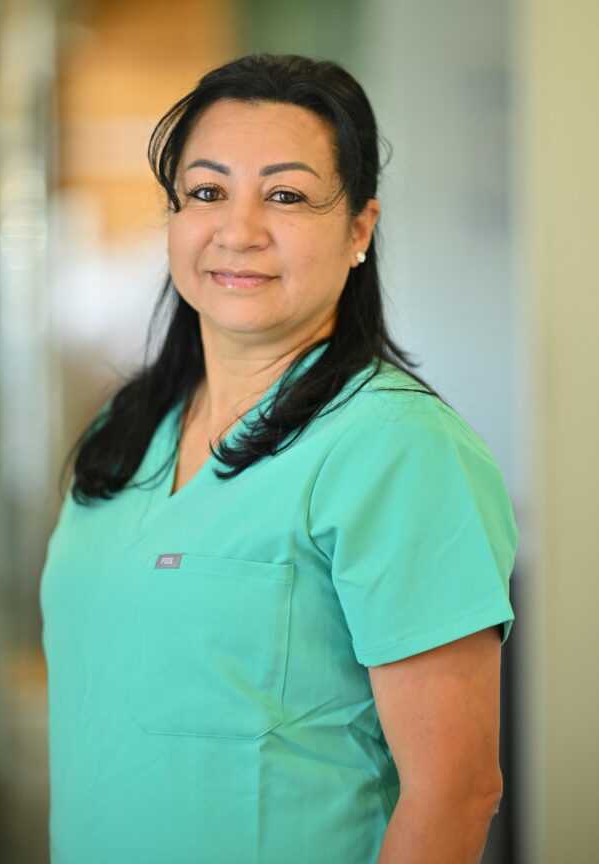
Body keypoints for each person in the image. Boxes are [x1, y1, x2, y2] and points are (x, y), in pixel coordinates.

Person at [40, 52, 517, 864]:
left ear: (359, 229)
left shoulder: (396, 450)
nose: (237, 231)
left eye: (286, 195)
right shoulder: (127, 427)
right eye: (206, 192)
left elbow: (455, 792)